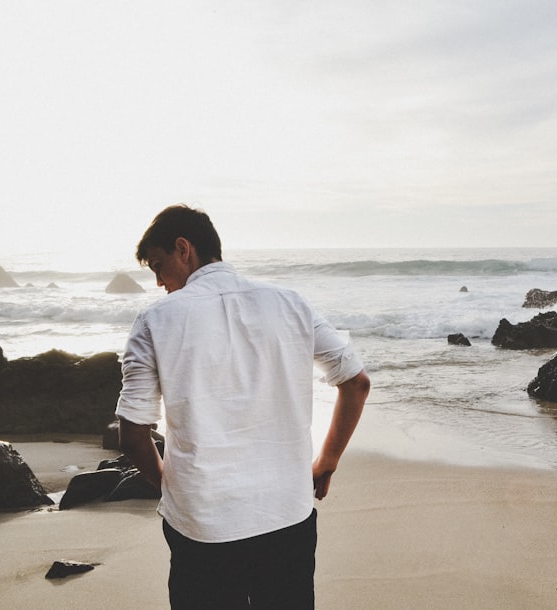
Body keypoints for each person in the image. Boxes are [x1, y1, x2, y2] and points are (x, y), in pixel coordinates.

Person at [116, 205, 370, 609]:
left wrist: (167, 483)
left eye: (160, 266)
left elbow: (132, 432)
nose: (160, 282)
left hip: (203, 523)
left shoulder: (155, 319)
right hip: (287, 513)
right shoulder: (290, 304)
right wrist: (327, 463)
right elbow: (356, 383)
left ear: (185, 249)